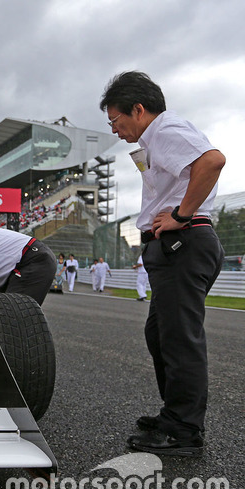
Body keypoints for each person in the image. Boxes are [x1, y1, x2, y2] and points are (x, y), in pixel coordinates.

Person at [101, 70, 225, 456]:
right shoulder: (158, 137)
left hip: (183, 242)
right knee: (161, 335)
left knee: (178, 339)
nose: (116, 131)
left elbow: (213, 161)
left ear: (138, 109)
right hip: (174, 245)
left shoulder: (165, 129)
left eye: (116, 121)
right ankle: (175, 414)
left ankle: (184, 432)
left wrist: (182, 215)